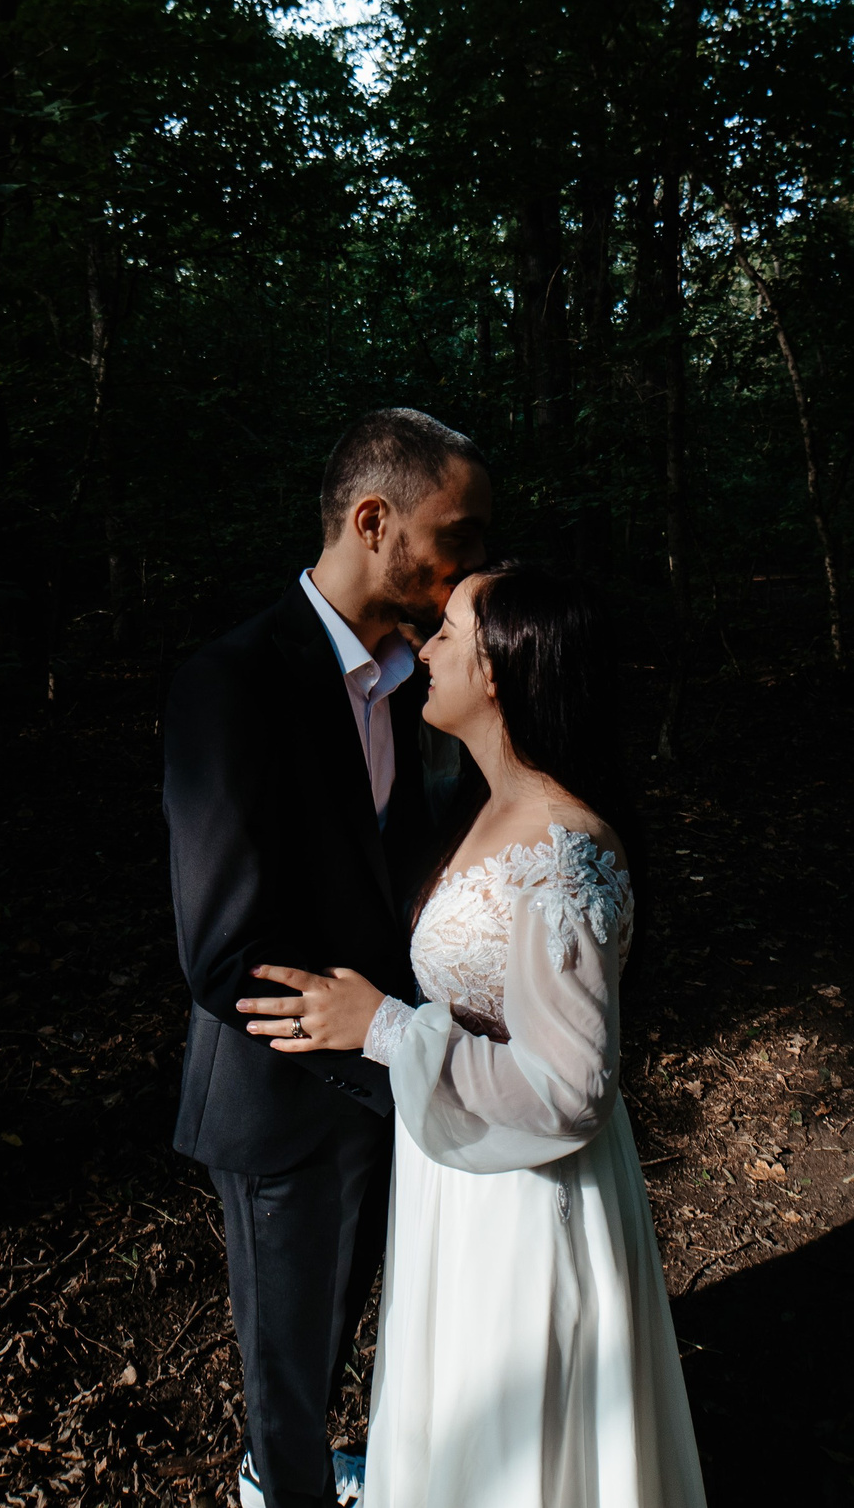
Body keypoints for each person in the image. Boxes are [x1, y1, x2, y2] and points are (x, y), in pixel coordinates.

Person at [236, 563, 707, 1508]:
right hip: (462, 1171)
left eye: (448, 631)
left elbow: (574, 1089)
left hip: (527, 1198)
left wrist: (384, 1028)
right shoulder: (478, 803)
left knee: (517, 1438)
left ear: (501, 669)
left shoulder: (564, 854)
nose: (423, 648)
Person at [165, 409, 493, 1508]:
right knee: (287, 1357)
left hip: (379, 1076)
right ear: (372, 520)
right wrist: (388, 1057)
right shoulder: (233, 682)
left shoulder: (415, 673)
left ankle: (306, 1466)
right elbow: (222, 949)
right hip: (280, 1097)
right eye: (453, 535)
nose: (466, 567)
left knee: (347, 1316)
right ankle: (280, 1486)